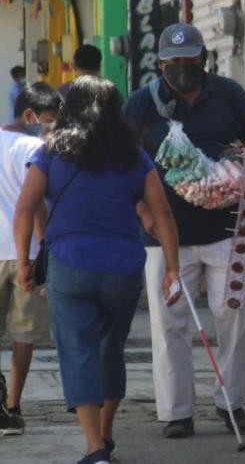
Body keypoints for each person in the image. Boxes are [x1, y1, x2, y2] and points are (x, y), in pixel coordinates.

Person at [14, 76, 180, 464]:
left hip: (70, 267)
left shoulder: (50, 151)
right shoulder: (133, 155)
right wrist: (172, 266)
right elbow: (162, 212)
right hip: (123, 269)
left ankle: (93, 448)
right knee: (111, 351)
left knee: (77, 352)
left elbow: (25, 208)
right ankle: (106, 435)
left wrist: (25, 261)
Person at [123, 23, 245, 439]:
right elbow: (119, 161)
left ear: (204, 59)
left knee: (244, 314)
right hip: (164, 238)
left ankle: (230, 400)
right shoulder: (141, 104)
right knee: (168, 324)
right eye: (175, 63)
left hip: (226, 231)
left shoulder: (227, 93)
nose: (184, 69)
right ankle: (176, 412)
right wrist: (141, 211)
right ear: (161, 64)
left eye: (192, 61)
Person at [0, 83, 61, 436]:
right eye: (49, 120)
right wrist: (43, 250)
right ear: (29, 116)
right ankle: (13, 404)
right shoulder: (36, 147)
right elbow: (37, 205)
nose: (51, 128)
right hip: (29, 254)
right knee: (24, 334)